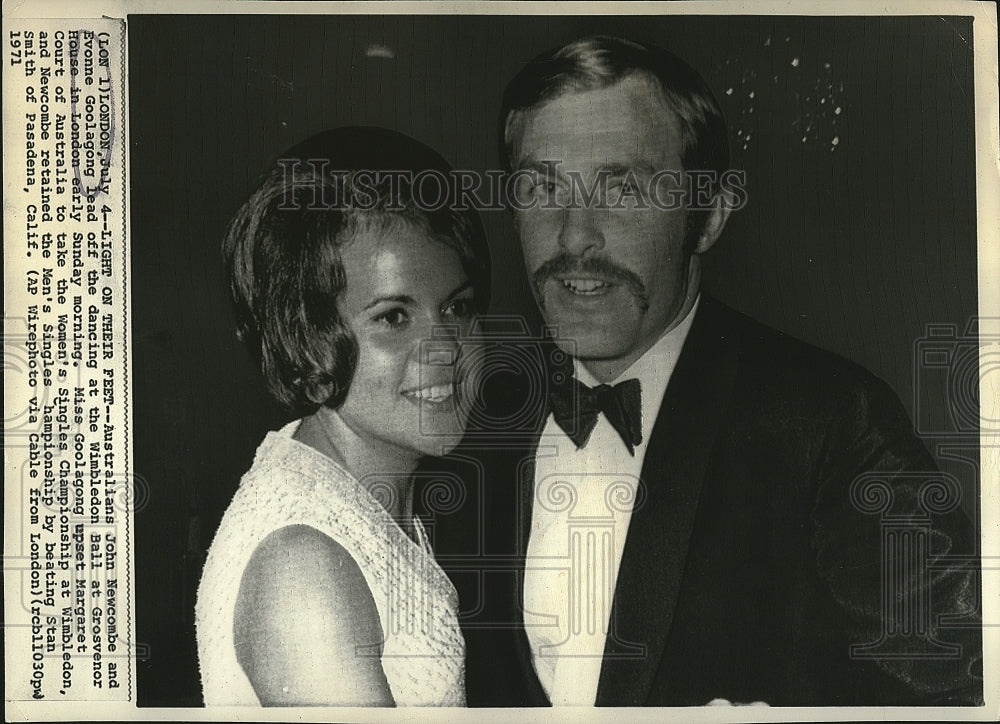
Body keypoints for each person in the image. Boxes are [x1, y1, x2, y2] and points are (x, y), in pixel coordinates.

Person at [428, 36, 983, 707]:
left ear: (709, 215)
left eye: (620, 186)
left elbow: (963, 696)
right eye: (542, 186)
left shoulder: (834, 423)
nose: (573, 236)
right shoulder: (462, 419)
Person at [195, 127, 489, 706]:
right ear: (309, 337)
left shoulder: (360, 493)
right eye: (394, 318)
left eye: (456, 307)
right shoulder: (301, 564)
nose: (446, 350)